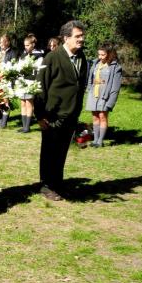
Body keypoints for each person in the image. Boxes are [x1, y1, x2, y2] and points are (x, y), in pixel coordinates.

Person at [35, 20, 88, 201]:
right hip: (52, 115)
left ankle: (57, 183)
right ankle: (46, 185)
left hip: (71, 114)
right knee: (49, 151)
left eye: (82, 36)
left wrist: (77, 111)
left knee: (62, 152)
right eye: (77, 36)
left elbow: (80, 85)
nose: (81, 39)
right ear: (66, 38)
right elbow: (40, 87)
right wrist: (40, 115)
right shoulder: (52, 57)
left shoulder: (81, 57)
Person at [84, 42, 122, 148]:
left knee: (102, 116)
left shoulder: (115, 67)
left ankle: (100, 141)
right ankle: (95, 140)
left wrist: (111, 102)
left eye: (103, 55)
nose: (100, 57)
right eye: (99, 54)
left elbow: (115, 88)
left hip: (105, 96)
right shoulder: (95, 63)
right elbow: (90, 78)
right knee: (95, 117)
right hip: (94, 94)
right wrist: (89, 89)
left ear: (109, 54)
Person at [16, 33, 45, 133]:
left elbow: (39, 69)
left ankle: (27, 126)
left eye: (28, 45)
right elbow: (19, 66)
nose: (26, 47)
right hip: (22, 81)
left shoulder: (39, 56)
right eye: (25, 45)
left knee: (29, 103)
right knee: (23, 103)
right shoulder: (23, 55)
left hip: (31, 82)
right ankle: (24, 126)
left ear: (33, 44)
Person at [0, 34, 17, 129]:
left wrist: (5, 74)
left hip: (7, 79)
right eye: (0, 42)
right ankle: (1, 119)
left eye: (3, 42)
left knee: (6, 100)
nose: (1, 44)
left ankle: (4, 122)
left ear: (8, 42)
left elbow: (13, 68)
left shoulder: (12, 53)